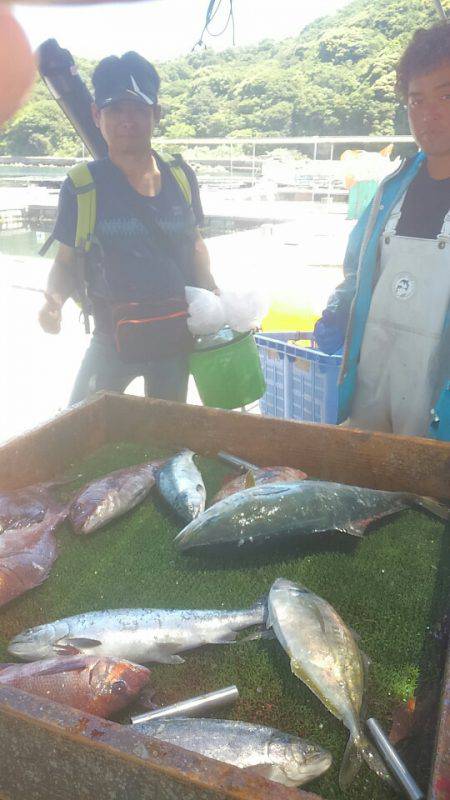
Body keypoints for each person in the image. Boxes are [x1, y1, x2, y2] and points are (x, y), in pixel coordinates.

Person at [38, 51, 218, 404]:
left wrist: (217, 297)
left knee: (167, 440)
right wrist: (54, 302)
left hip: (175, 338)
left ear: (156, 114)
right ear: (96, 115)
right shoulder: (82, 186)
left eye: (138, 109)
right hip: (110, 340)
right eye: (115, 109)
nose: (126, 119)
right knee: (80, 431)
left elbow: (195, 243)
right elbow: (65, 262)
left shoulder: (181, 176)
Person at [314, 21, 450, 441]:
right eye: (416, 100)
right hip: (374, 387)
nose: (429, 115)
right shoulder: (392, 189)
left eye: (446, 95)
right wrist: (341, 304)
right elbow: (359, 270)